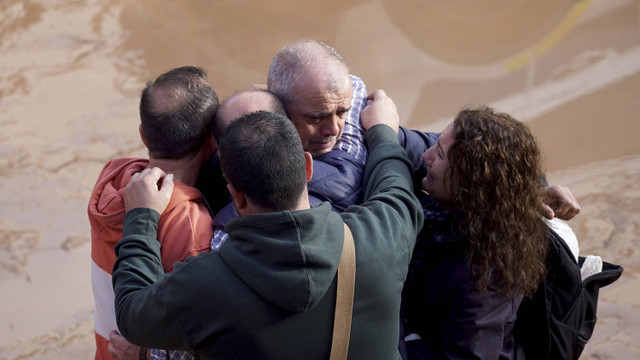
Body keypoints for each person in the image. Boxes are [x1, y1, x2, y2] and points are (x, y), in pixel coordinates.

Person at [111, 90, 424, 359]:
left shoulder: (203, 287)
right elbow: (394, 184)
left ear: (235, 195)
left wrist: (142, 216)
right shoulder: (382, 235)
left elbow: (130, 313)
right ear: (307, 166)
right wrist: (382, 130)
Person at [88, 66, 218, 360]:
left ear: (143, 135)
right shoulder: (192, 224)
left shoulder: (111, 179)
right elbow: (198, 336)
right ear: (212, 143)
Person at [401, 106, 550, 359]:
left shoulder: (487, 276)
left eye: (438, 154)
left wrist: (400, 338)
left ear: (471, 182)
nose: (425, 156)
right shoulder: (444, 215)